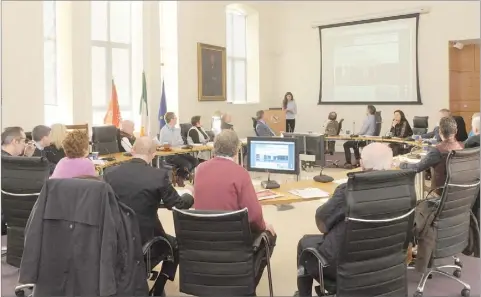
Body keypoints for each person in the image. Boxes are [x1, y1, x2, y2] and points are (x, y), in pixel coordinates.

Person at [295, 143, 393, 296]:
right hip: (385, 265)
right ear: (391, 164)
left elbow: (322, 223)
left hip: (346, 266)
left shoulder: (348, 190)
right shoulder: (401, 190)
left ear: (361, 164)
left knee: (304, 243)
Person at [103, 137, 194, 296]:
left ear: (132, 151)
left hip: (114, 239)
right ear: (153, 154)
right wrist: (189, 194)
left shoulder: (109, 173)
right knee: (176, 245)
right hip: (146, 239)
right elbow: (176, 205)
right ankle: (158, 289)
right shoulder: (158, 176)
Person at [193, 129, 277, 290]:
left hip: (203, 239)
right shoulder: (240, 173)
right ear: (237, 150)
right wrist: (264, 226)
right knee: (269, 235)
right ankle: (244, 286)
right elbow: (254, 217)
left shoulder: (200, 170)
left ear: (214, 148)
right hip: (232, 241)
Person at [400, 117, 464, 195]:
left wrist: (401, 164)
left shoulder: (437, 151)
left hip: (441, 193)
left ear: (440, 132)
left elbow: (417, 168)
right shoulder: (463, 146)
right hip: (461, 191)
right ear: (456, 131)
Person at [159, 112, 198, 186]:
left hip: (179, 152)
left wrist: (175, 143)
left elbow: (180, 141)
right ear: (171, 119)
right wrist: (174, 143)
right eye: (175, 118)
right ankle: (180, 177)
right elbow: (164, 144)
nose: (176, 119)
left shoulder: (177, 129)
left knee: (195, 161)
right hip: (170, 155)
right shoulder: (164, 130)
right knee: (187, 164)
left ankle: (179, 176)